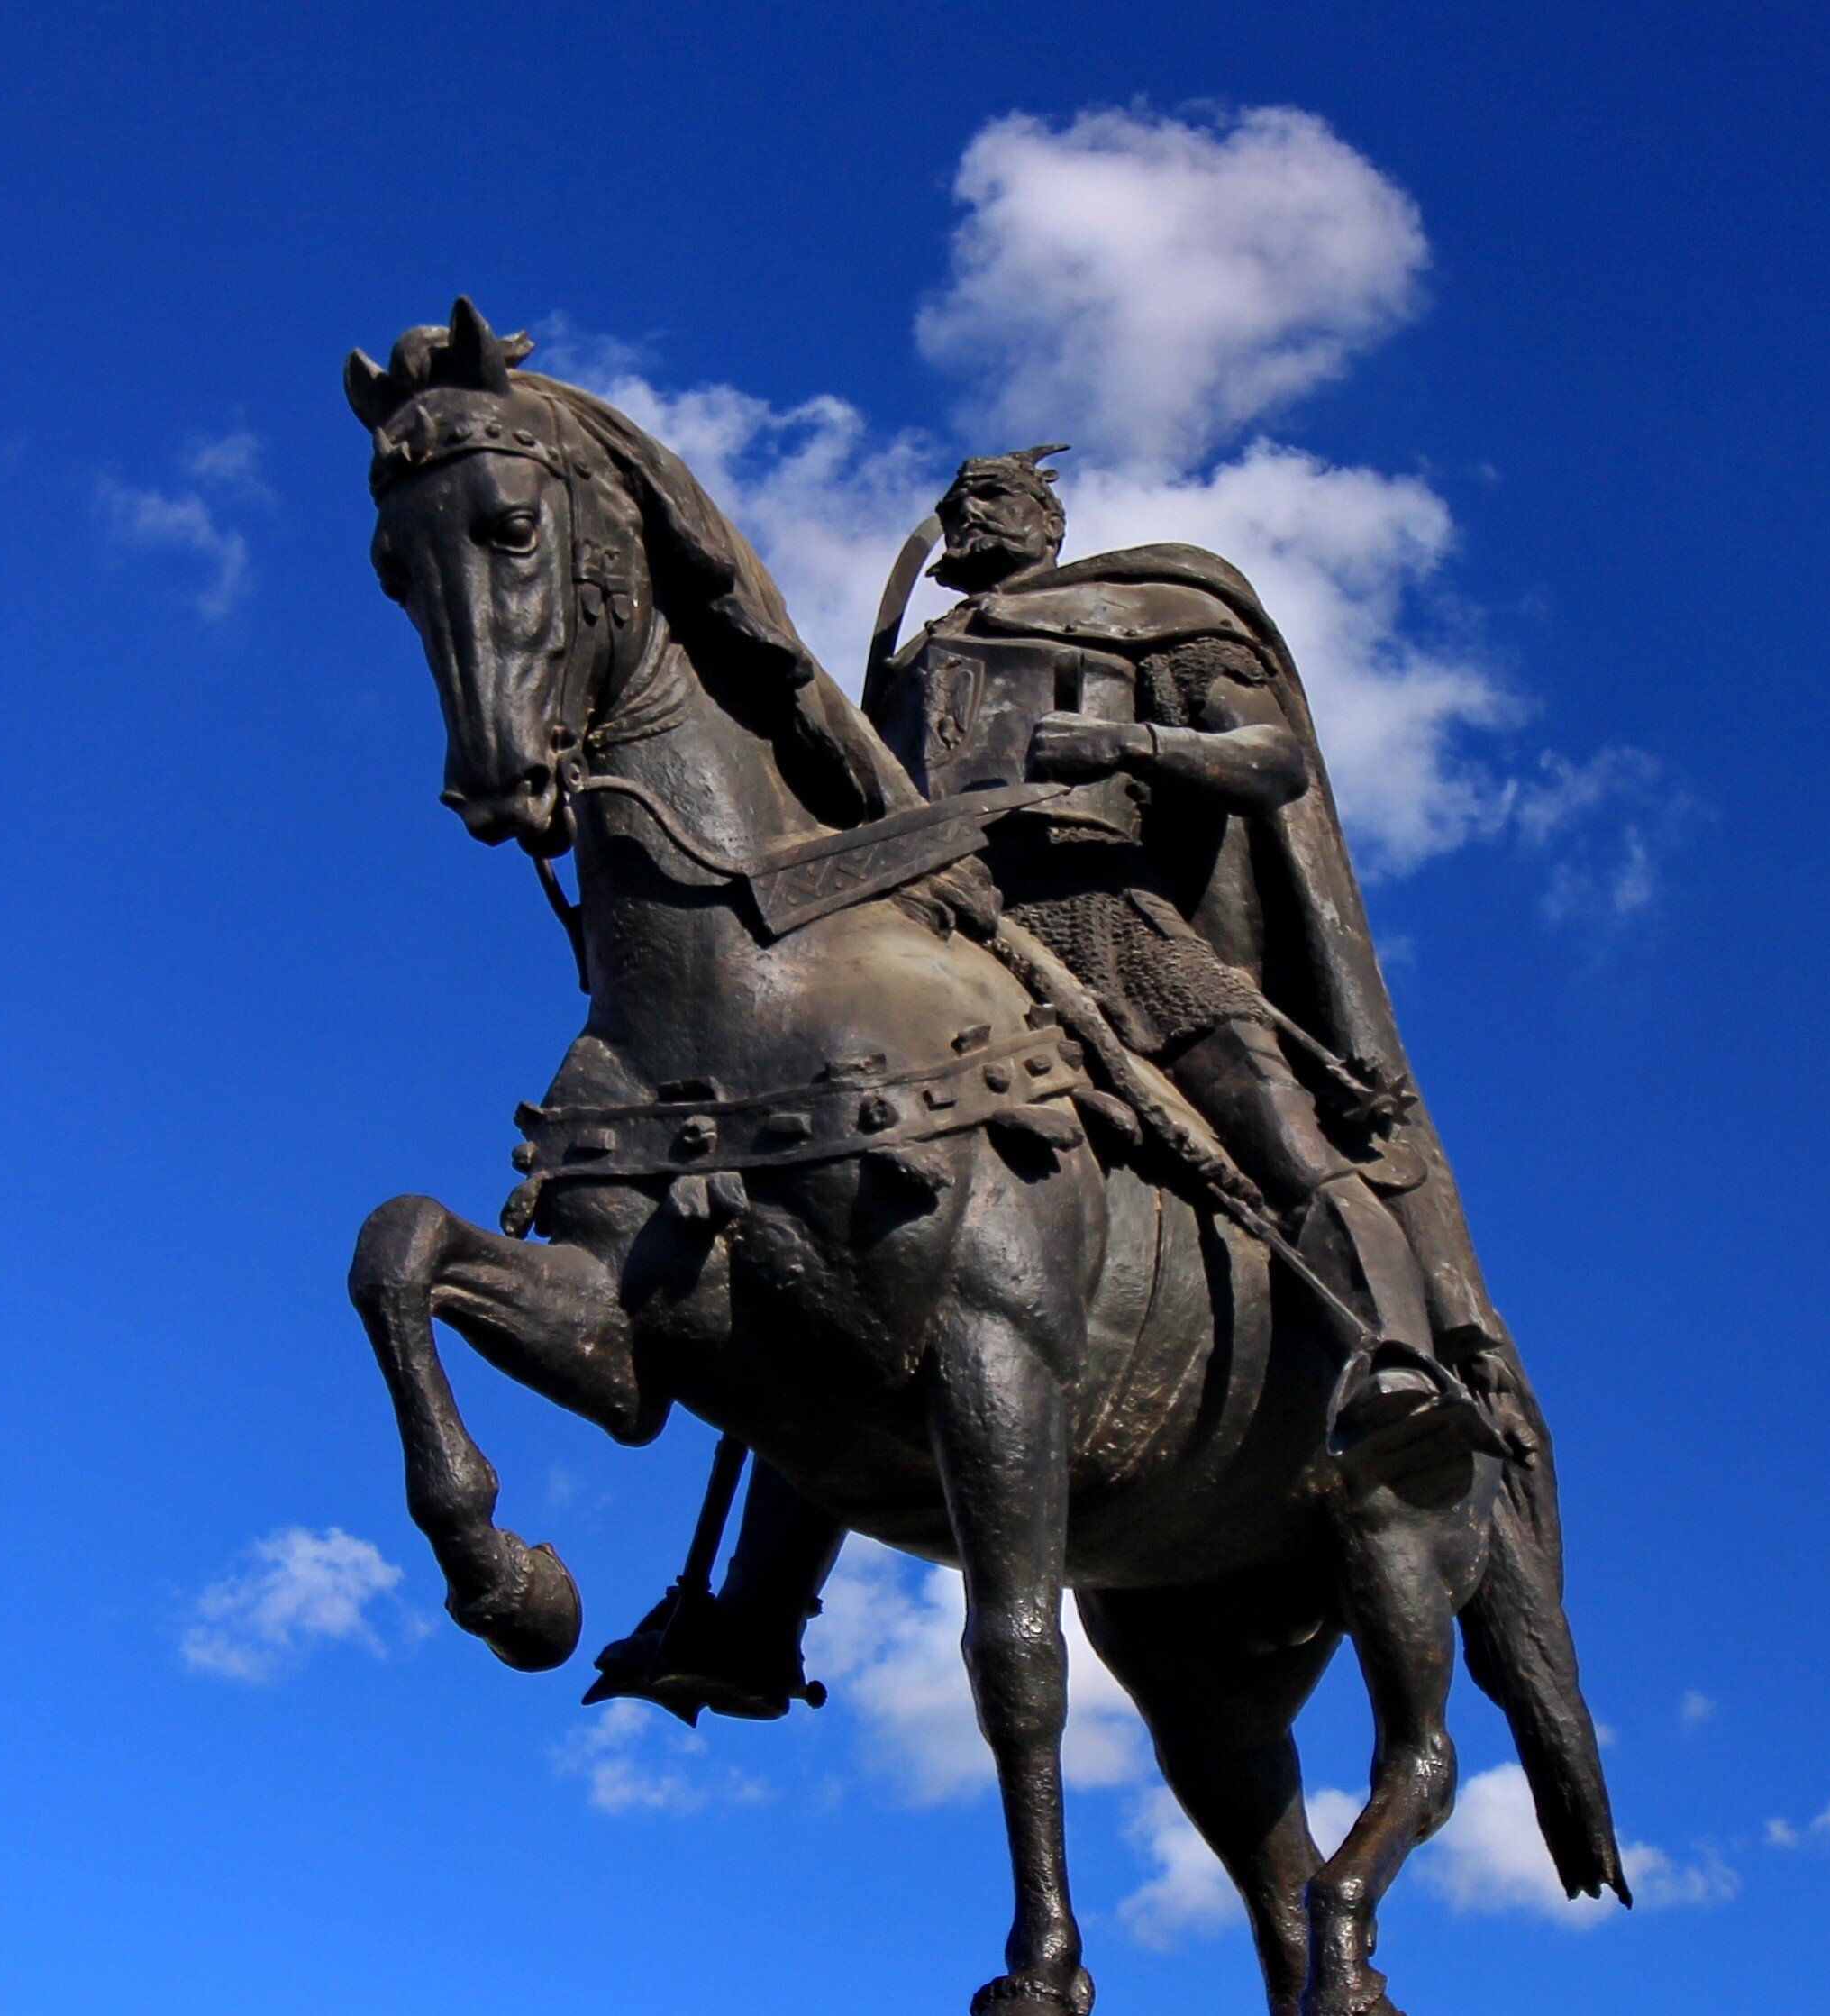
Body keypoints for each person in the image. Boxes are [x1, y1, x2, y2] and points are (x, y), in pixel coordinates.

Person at [588, 446, 1540, 1721]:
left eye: (998, 499)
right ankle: (757, 1617)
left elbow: (1270, 762)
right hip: (936, 938)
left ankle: (1394, 1369)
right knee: (824, 1236)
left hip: (1108, 919)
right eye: (959, 501)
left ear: (1047, 519)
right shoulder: (911, 665)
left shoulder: (1150, 612)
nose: (969, 516)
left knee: (1285, 1138)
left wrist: (1127, 739)